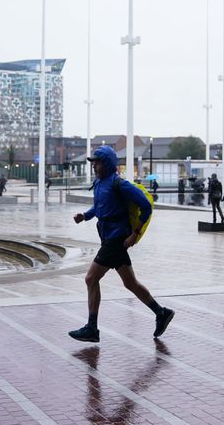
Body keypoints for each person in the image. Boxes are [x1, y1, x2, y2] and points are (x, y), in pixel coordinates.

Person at [69, 145, 174, 343]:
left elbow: (145, 206)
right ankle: (161, 313)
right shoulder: (99, 184)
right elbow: (99, 206)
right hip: (108, 237)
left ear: (106, 164)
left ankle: (92, 328)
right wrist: (85, 216)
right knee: (130, 283)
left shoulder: (119, 184)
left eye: (97, 163)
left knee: (91, 278)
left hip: (117, 238)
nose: (94, 167)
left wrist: (135, 234)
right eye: (93, 163)